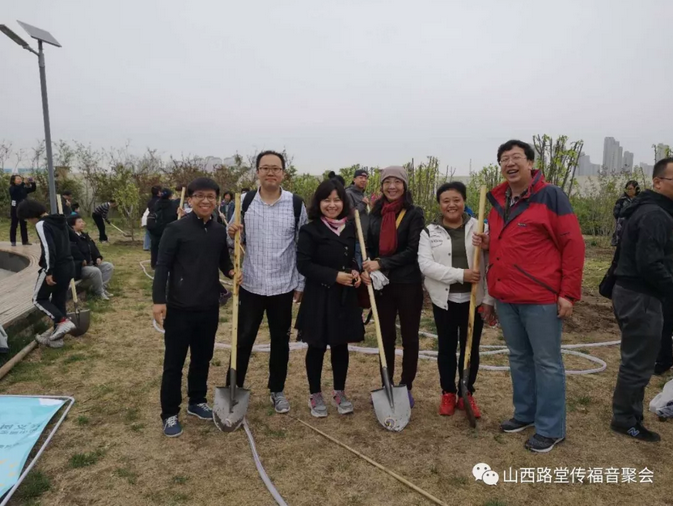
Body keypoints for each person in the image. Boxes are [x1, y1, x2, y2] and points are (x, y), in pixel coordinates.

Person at [472, 140, 584, 453]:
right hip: (506, 297)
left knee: (547, 363)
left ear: (530, 163)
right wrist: (488, 244)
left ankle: (551, 428)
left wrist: (568, 294)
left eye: (516, 157)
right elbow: (505, 246)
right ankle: (525, 414)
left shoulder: (550, 196)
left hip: (541, 297)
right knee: (519, 358)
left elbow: (572, 245)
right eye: (504, 159)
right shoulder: (497, 201)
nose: (510, 163)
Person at [152, 177, 236, 437]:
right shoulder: (175, 229)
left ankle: (196, 400)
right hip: (179, 307)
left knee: (203, 357)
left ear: (217, 200)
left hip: (208, 307)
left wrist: (234, 273)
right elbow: (162, 266)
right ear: (189, 199)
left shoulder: (219, 230)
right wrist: (158, 301)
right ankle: (169, 413)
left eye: (211, 196)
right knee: (174, 363)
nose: (206, 200)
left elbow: (223, 261)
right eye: (200, 196)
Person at [227, 150, 308, 414]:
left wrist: (300, 283)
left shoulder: (296, 204)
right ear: (258, 172)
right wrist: (232, 234)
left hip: (282, 286)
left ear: (283, 173)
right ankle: (233, 387)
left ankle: (277, 389)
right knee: (243, 338)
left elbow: (301, 246)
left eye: (276, 168)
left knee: (280, 341)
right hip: (250, 283)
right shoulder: (245, 201)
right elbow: (232, 241)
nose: (270, 172)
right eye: (265, 168)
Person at [610, 158, 673, 442]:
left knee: (637, 358)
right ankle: (625, 419)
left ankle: (629, 414)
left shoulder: (649, 209)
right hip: (641, 296)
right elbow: (650, 264)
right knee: (638, 362)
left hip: (632, 292)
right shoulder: (655, 214)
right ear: (658, 182)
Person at [418, 182, 494, 417]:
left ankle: (466, 392)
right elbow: (426, 265)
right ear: (440, 205)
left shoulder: (480, 227)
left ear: (464, 201)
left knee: (472, 348)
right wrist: (461, 275)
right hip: (445, 301)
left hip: (475, 299)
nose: (451, 205)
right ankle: (448, 392)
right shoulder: (429, 232)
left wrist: (489, 244)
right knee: (447, 348)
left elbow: (492, 262)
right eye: (445, 201)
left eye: (456, 200)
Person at [295, 180, 364, 418]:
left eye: (337, 200)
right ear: (319, 202)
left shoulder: (350, 227)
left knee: (340, 345)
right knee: (316, 346)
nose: (332, 205)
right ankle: (315, 394)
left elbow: (353, 258)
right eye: (327, 200)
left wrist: (354, 270)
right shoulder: (310, 230)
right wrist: (335, 276)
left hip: (344, 298)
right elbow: (303, 264)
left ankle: (339, 391)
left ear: (343, 203)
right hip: (318, 296)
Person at [361, 165, 425, 408]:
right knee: (384, 336)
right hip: (382, 286)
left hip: (408, 283)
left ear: (404, 185)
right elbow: (368, 246)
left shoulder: (414, 213)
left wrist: (381, 263)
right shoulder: (375, 214)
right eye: (387, 181)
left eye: (397, 182)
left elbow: (413, 250)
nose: (392, 186)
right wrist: (368, 266)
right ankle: (386, 382)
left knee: (409, 337)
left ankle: (406, 385)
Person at [17, 199, 76, 348]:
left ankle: (62, 321)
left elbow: (49, 249)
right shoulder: (60, 220)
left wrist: (49, 271)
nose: (28, 222)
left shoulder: (42, 224)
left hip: (55, 268)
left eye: (26, 219)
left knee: (38, 299)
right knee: (58, 300)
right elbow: (74, 238)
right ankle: (57, 339)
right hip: (68, 265)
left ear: (30, 215)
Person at [68, 215, 114, 300]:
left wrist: (98, 257)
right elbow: (74, 252)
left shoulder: (85, 236)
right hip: (80, 267)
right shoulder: (70, 238)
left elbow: (93, 248)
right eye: (79, 222)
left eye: (82, 221)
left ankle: (101, 288)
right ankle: (99, 293)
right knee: (95, 271)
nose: (83, 224)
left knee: (108, 266)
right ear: (72, 225)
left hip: (91, 263)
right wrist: (82, 260)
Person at [147, 189, 179, 269]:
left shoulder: (155, 203)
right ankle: (167, 264)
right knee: (168, 248)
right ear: (170, 196)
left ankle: (154, 264)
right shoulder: (173, 205)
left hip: (156, 230)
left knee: (155, 247)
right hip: (168, 230)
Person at [9, 174, 36, 246]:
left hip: (23, 208)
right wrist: (23, 183)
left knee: (23, 224)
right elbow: (15, 191)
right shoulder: (12, 188)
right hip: (15, 208)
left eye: (20, 178)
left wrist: (33, 182)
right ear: (13, 180)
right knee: (14, 225)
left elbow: (32, 189)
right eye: (17, 179)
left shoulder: (23, 188)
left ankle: (25, 241)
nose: (19, 180)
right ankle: (13, 241)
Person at [611, 180, 639, 246]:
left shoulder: (640, 200)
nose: (629, 190)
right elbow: (616, 213)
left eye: (631, 189)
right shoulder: (621, 200)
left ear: (636, 189)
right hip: (622, 228)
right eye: (627, 189)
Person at [144, 186, 161, 251]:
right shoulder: (159, 201)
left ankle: (146, 246)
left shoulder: (150, 201)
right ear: (159, 192)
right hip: (156, 218)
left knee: (148, 233)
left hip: (149, 217)